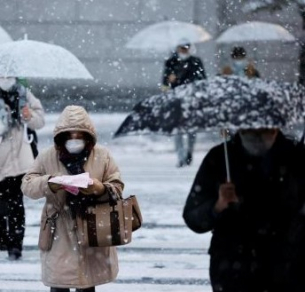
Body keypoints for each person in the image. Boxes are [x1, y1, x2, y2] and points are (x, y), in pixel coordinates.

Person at [183, 127, 305, 292]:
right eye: (251, 129)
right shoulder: (221, 158)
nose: (257, 135)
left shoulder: (296, 158)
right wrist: (217, 205)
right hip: (233, 269)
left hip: (288, 268)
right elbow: (193, 217)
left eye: (264, 129)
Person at [21, 105, 124, 292]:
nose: (74, 140)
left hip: (92, 227)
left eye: (79, 136)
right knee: (59, 282)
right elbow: (27, 185)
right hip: (58, 227)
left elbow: (117, 187)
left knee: (87, 283)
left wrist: (100, 188)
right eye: (70, 135)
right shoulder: (47, 156)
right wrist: (49, 183)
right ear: (62, 136)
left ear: (88, 136)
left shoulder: (102, 155)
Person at [0, 76, 45, 260]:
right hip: (1, 156)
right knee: (2, 205)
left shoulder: (23, 93)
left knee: (16, 203)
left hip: (20, 157)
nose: (5, 78)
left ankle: (15, 245)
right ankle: (3, 239)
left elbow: (40, 121)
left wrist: (29, 116)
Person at [162, 42, 206, 167]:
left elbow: (202, 79)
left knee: (191, 129)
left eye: (186, 48)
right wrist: (169, 81)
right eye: (182, 48)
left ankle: (189, 152)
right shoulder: (171, 62)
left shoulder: (195, 61)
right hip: (176, 100)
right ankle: (181, 156)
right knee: (178, 130)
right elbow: (165, 84)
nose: (184, 51)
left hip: (192, 99)